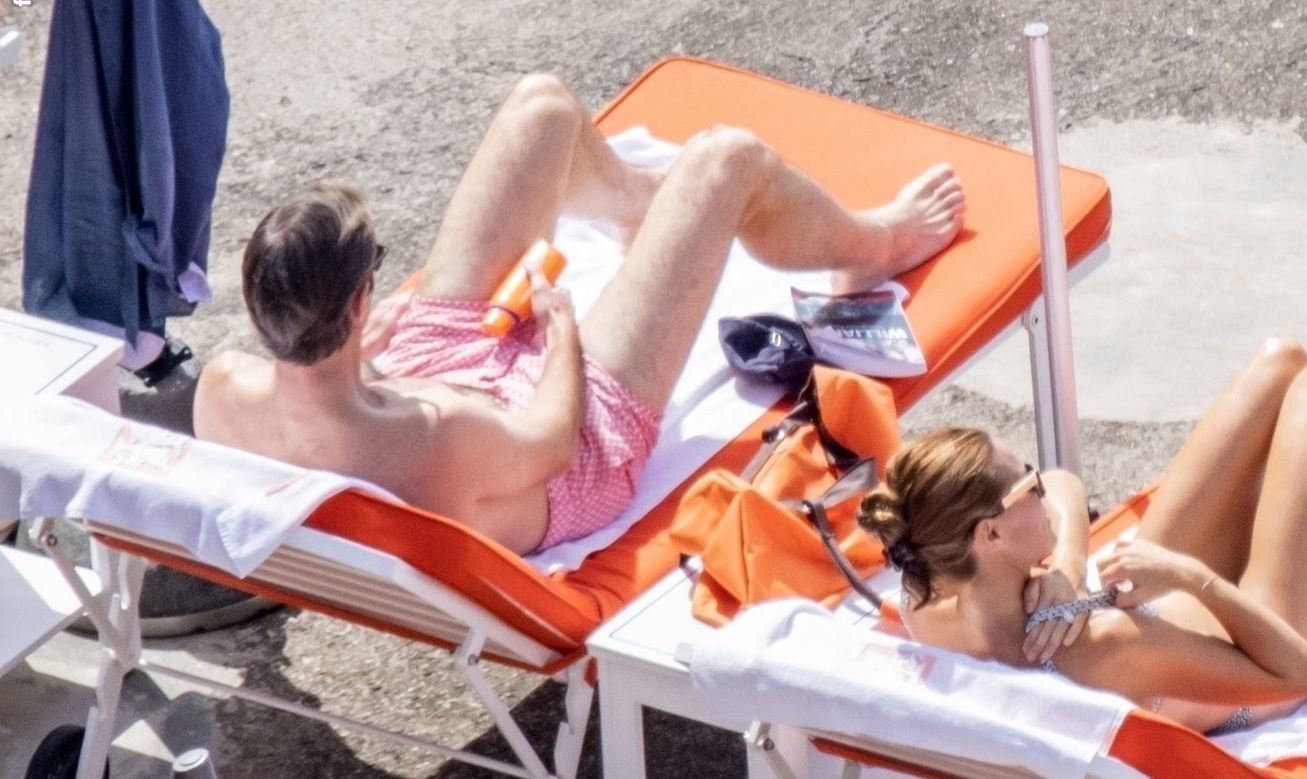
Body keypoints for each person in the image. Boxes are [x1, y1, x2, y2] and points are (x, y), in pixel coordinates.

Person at [194, 73, 965, 554]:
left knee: (543, 108)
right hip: (571, 443)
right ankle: (879, 242)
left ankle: (644, 209)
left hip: (414, 373)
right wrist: (560, 326)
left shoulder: (226, 391)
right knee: (727, 160)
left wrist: (363, 354)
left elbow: (328, 424)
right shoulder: (438, 437)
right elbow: (555, 439)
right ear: (359, 301)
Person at [856, 344, 1307, 736]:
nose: (1043, 484)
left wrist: (1067, 566)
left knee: (1280, 365)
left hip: (1148, 601)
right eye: (1027, 486)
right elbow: (1297, 674)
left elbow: (1069, 485)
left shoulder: (931, 597)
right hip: (1265, 637)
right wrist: (1191, 579)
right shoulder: (1097, 646)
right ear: (990, 533)